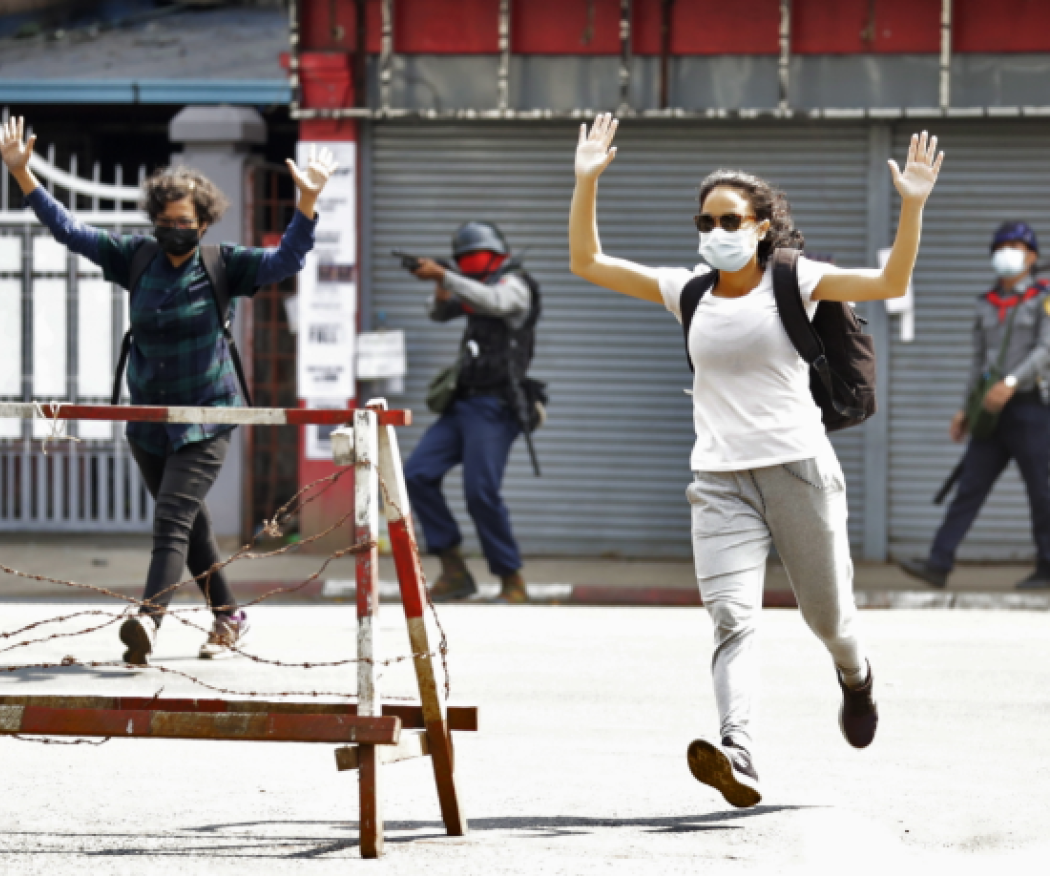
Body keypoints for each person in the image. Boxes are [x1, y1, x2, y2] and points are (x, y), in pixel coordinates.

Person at [568, 113, 943, 808]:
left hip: (797, 469)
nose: (716, 233)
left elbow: (889, 281)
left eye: (730, 219)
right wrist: (584, 182)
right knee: (731, 618)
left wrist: (911, 205)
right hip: (716, 482)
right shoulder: (687, 293)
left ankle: (854, 676)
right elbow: (586, 263)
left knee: (827, 621)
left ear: (762, 224)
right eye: (704, 222)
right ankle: (737, 749)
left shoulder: (796, 281)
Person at [0, 117, 337, 662]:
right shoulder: (136, 258)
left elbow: (287, 261)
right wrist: (24, 175)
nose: (171, 228)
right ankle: (229, 617)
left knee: (171, 520)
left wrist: (307, 203)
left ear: (203, 224)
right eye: (163, 220)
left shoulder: (224, 265)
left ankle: (148, 619)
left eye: (183, 221)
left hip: (208, 417)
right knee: (192, 529)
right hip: (149, 422)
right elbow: (69, 230)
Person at [901, 222, 1050, 591]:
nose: (1007, 252)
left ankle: (1047, 566)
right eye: (1002, 246)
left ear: (1032, 256)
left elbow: (1046, 350)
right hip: (990, 412)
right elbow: (978, 361)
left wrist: (1012, 383)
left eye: (1015, 246)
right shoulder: (986, 303)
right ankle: (938, 563)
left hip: (1031, 407)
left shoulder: (1043, 296)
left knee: (1041, 490)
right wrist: (965, 408)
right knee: (969, 486)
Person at [402, 222, 539, 604]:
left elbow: (497, 302)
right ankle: (453, 568)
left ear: (498, 255)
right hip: (462, 403)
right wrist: (440, 284)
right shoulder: (474, 288)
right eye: (464, 260)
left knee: (480, 491)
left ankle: (511, 579)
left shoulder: (517, 285)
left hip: (496, 406)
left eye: (476, 258)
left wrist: (447, 273)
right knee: (416, 474)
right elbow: (437, 313)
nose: (471, 264)